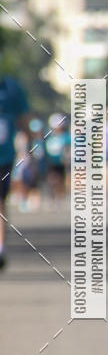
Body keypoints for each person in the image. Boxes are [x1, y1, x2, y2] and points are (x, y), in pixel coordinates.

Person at [0, 72, 28, 268]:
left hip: (4, 156)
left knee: (0, 202)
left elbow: (24, 120)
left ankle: (0, 248)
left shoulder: (11, 88)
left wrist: (29, 149)